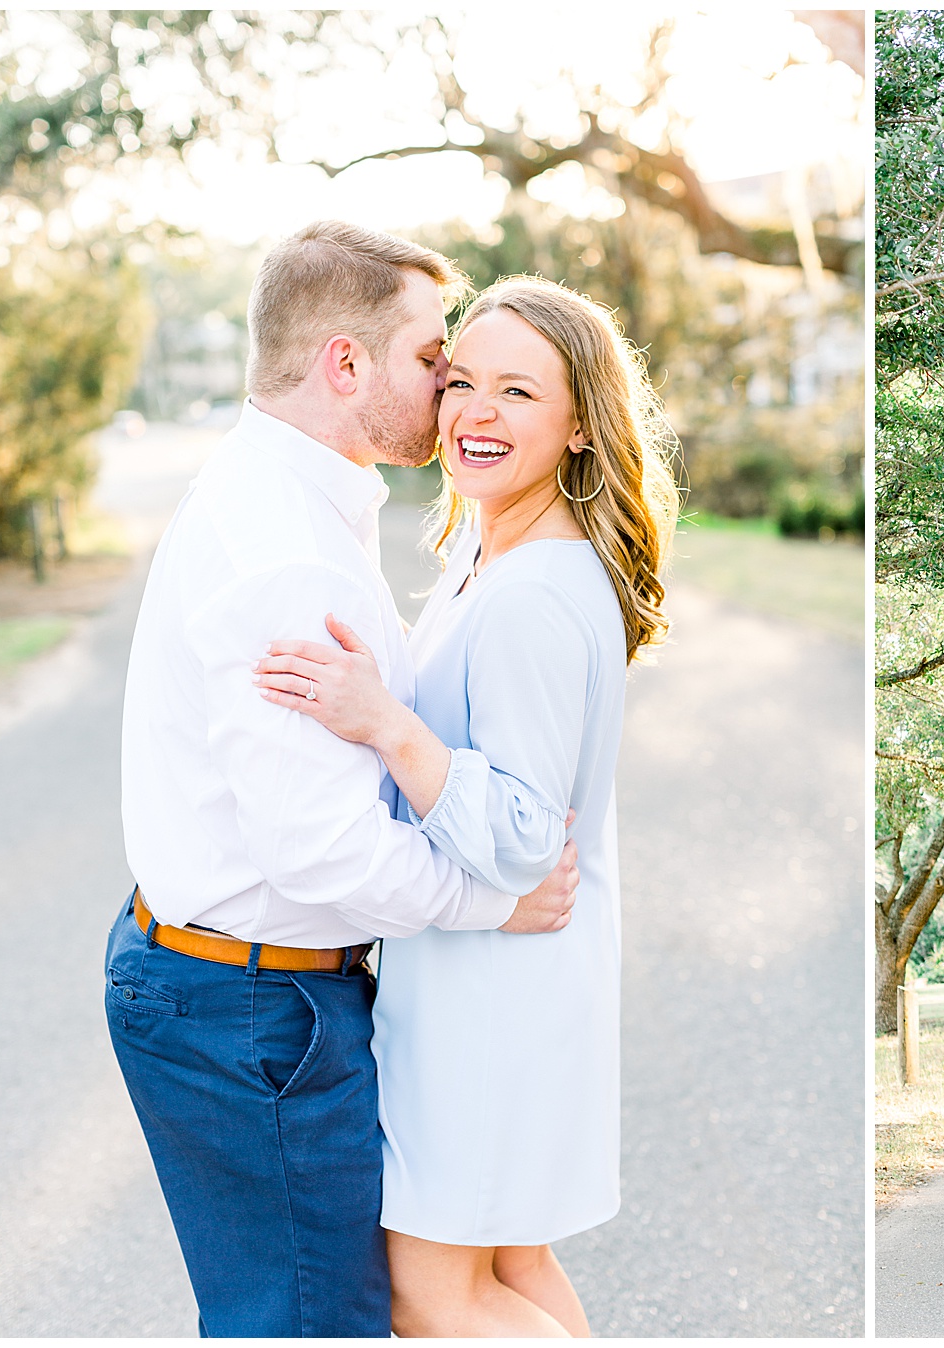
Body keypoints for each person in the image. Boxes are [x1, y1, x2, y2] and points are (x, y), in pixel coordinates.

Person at [107, 223, 581, 1338]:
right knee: (313, 1321)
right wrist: (497, 904)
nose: (452, 386)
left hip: (229, 984)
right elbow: (321, 850)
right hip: (253, 1008)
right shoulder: (291, 553)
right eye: (432, 360)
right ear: (345, 364)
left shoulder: (293, 497)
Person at [252, 275, 678, 1334]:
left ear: (581, 426)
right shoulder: (497, 556)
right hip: (503, 982)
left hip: (494, 1000)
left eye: (519, 394)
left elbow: (530, 835)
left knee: (429, 1288)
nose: (475, 413)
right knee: (513, 1262)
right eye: (462, 382)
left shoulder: (533, 594)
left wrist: (384, 723)